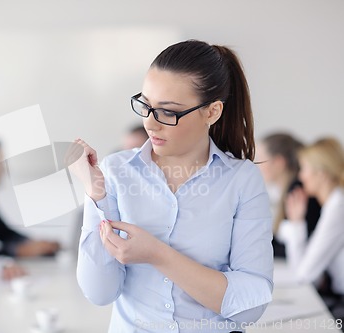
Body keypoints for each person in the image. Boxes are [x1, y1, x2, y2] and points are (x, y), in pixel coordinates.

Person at [70, 40, 273, 332]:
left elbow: (249, 307)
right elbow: (99, 293)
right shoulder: (116, 172)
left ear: (212, 112)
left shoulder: (242, 180)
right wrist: (96, 195)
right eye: (146, 106)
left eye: (168, 112)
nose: (150, 125)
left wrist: (157, 255)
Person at [0, 136, 60, 279]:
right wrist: (18, 251)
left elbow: (2, 231)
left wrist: (32, 243)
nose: (4, 169)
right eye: (1, 163)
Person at [280, 138, 344, 321]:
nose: (301, 177)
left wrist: (297, 224)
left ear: (321, 173)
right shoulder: (334, 203)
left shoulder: (338, 207)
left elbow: (304, 275)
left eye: (304, 169)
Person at [256, 133, 321, 257]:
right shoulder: (289, 190)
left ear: (279, 162)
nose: (257, 166)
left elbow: (288, 247)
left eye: (260, 159)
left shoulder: (297, 191)